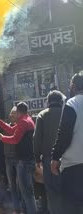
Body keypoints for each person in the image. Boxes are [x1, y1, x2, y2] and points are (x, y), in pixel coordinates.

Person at [0, 102, 36, 214]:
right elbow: (12, 130)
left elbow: (15, 139)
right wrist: (0, 122)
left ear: (18, 112)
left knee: (27, 193)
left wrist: (2, 138)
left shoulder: (23, 122)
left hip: (25, 161)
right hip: (26, 160)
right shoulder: (26, 120)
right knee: (26, 192)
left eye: (15, 113)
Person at [51, 71, 83, 213]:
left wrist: (55, 157)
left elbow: (64, 134)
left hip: (74, 168)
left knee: (73, 207)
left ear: (74, 86)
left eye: (70, 85)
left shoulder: (72, 103)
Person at [33, 90, 64, 214]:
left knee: (51, 191)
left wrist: (37, 158)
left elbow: (36, 139)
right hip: (69, 159)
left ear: (48, 101)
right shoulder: (67, 113)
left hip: (48, 160)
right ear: (61, 101)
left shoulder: (42, 115)